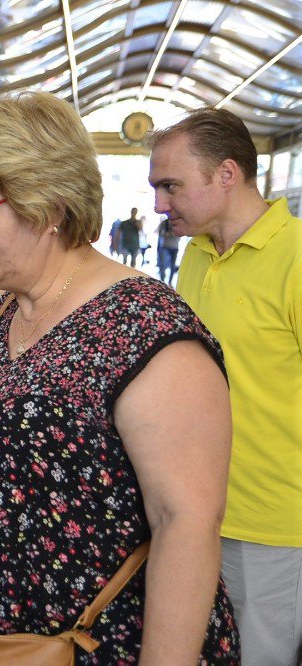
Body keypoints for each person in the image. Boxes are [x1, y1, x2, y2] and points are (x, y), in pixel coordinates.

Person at [0, 92, 239, 663]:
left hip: (97, 645)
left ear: (44, 206)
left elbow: (186, 524)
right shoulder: (10, 309)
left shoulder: (148, 331)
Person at [149, 107, 302, 666]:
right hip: (192, 508)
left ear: (227, 175)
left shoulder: (296, 256)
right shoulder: (196, 254)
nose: (161, 204)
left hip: (269, 519)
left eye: (171, 186)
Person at [155, 215, 180, 286]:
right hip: (165, 246)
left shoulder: (178, 222)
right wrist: (165, 234)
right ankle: (162, 281)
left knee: (172, 265)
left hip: (174, 246)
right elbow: (159, 233)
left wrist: (172, 234)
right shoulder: (164, 223)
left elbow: (181, 234)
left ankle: (170, 282)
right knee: (162, 264)